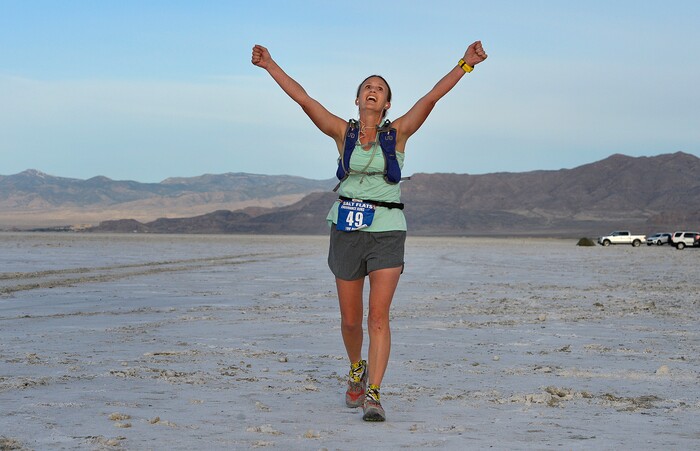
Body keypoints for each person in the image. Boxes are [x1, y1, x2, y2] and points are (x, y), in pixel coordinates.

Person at [251, 41, 488, 422]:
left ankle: (374, 394)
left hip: (388, 229)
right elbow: (303, 99)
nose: (373, 91)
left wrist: (465, 64)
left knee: (378, 317)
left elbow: (431, 98)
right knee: (350, 320)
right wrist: (270, 65)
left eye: (379, 88)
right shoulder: (340, 132)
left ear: (387, 104)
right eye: (367, 87)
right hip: (346, 228)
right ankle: (356, 368)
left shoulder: (400, 134)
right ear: (358, 99)